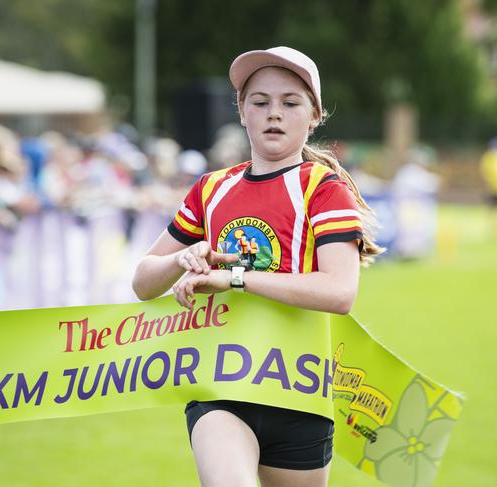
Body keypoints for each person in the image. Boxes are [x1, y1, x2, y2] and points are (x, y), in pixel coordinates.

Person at [132, 46, 383, 487]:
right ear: (241, 112)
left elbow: (339, 293)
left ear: (314, 117)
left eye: (290, 103)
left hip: (299, 394)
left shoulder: (323, 189)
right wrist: (181, 258)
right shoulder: (211, 189)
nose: (274, 114)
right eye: (260, 101)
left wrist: (233, 278)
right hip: (221, 389)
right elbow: (143, 283)